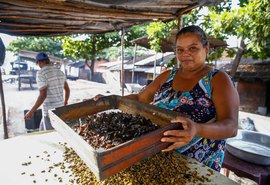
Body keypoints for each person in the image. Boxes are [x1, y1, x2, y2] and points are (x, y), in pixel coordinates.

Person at [94, 25, 239, 172]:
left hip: (196, 165)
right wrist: (111, 100)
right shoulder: (167, 76)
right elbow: (140, 97)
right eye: (180, 50)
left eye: (193, 48)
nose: (185, 54)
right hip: (158, 157)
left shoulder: (218, 79)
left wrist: (197, 129)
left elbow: (231, 126)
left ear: (206, 48)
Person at [24, 52, 70, 130]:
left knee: (51, 136)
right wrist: (65, 102)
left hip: (50, 112)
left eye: (38, 63)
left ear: (40, 62)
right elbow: (67, 90)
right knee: (43, 128)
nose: (39, 65)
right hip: (60, 109)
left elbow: (43, 95)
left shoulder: (41, 73)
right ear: (47, 60)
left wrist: (31, 111)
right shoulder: (60, 72)